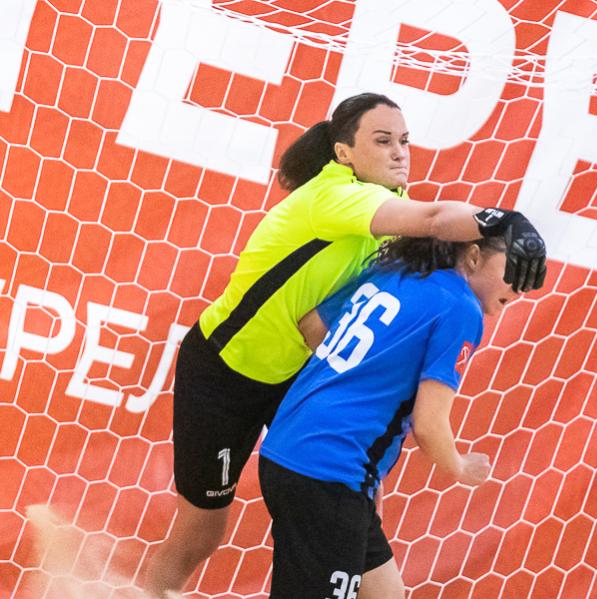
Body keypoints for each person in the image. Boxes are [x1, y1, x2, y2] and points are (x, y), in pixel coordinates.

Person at [143, 92, 546, 597]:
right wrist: (507, 221)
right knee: (201, 532)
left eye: (404, 141)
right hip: (226, 373)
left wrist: (352, 380)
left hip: (293, 376)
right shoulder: (336, 196)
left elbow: (314, 322)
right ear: (343, 153)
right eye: (383, 141)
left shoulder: (392, 215)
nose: (399, 152)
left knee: (355, 499)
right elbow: (434, 221)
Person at [260, 234, 518, 598]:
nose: (520, 287)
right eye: (515, 269)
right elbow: (429, 425)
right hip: (331, 469)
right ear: (474, 256)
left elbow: (312, 327)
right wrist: (460, 467)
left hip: (290, 450)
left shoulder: (395, 271)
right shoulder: (461, 307)